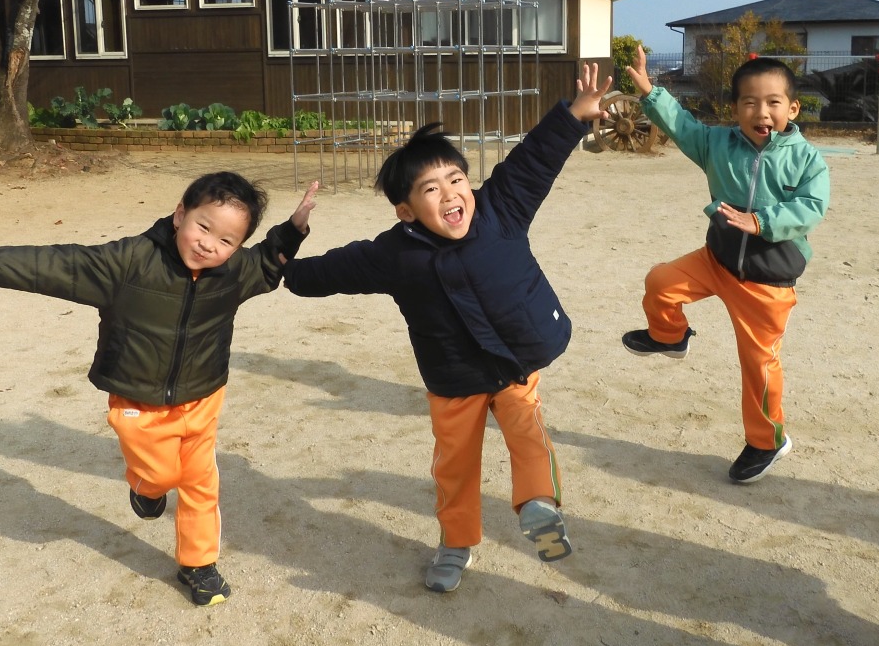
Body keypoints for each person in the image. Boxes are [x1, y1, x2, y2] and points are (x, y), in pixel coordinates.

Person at [0, 172, 319, 606]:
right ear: (180, 214)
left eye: (226, 241)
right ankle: (146, 487)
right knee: (162, 475)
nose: (209, 245)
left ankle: (199, 565)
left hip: (202, 395)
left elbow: (267, 263)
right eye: (203, 227)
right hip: (138, 400)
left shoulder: (233, 272)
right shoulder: (129, 261)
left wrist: (293, 230)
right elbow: (59, 266)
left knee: (200, 483)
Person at [282, 65, 613, 592]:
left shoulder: (500, 209)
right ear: (406, 211)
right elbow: (331, 272)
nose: (450, 194)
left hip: (514, 363)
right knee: (454, 467)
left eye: (456, 180)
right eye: (430, 189)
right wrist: (283, 259)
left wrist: (573, 116)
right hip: (453, 379)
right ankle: (456, 543)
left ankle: (539, 506)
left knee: (528, 433)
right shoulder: (394, 254)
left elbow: (533, 161)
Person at [621, 47, 830, 484]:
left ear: (792, 108)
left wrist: (761, 222)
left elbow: (811, 207)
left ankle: (767, 440)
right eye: (750, 102)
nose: (762, 111)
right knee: (661, 281)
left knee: (759, 366)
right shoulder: (717, 144)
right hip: (716, 259)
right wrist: (648, 91)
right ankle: (670, 337)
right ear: (735, 109)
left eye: (773, 102)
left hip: (767, 281)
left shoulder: (807, 159)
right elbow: (681, 126)